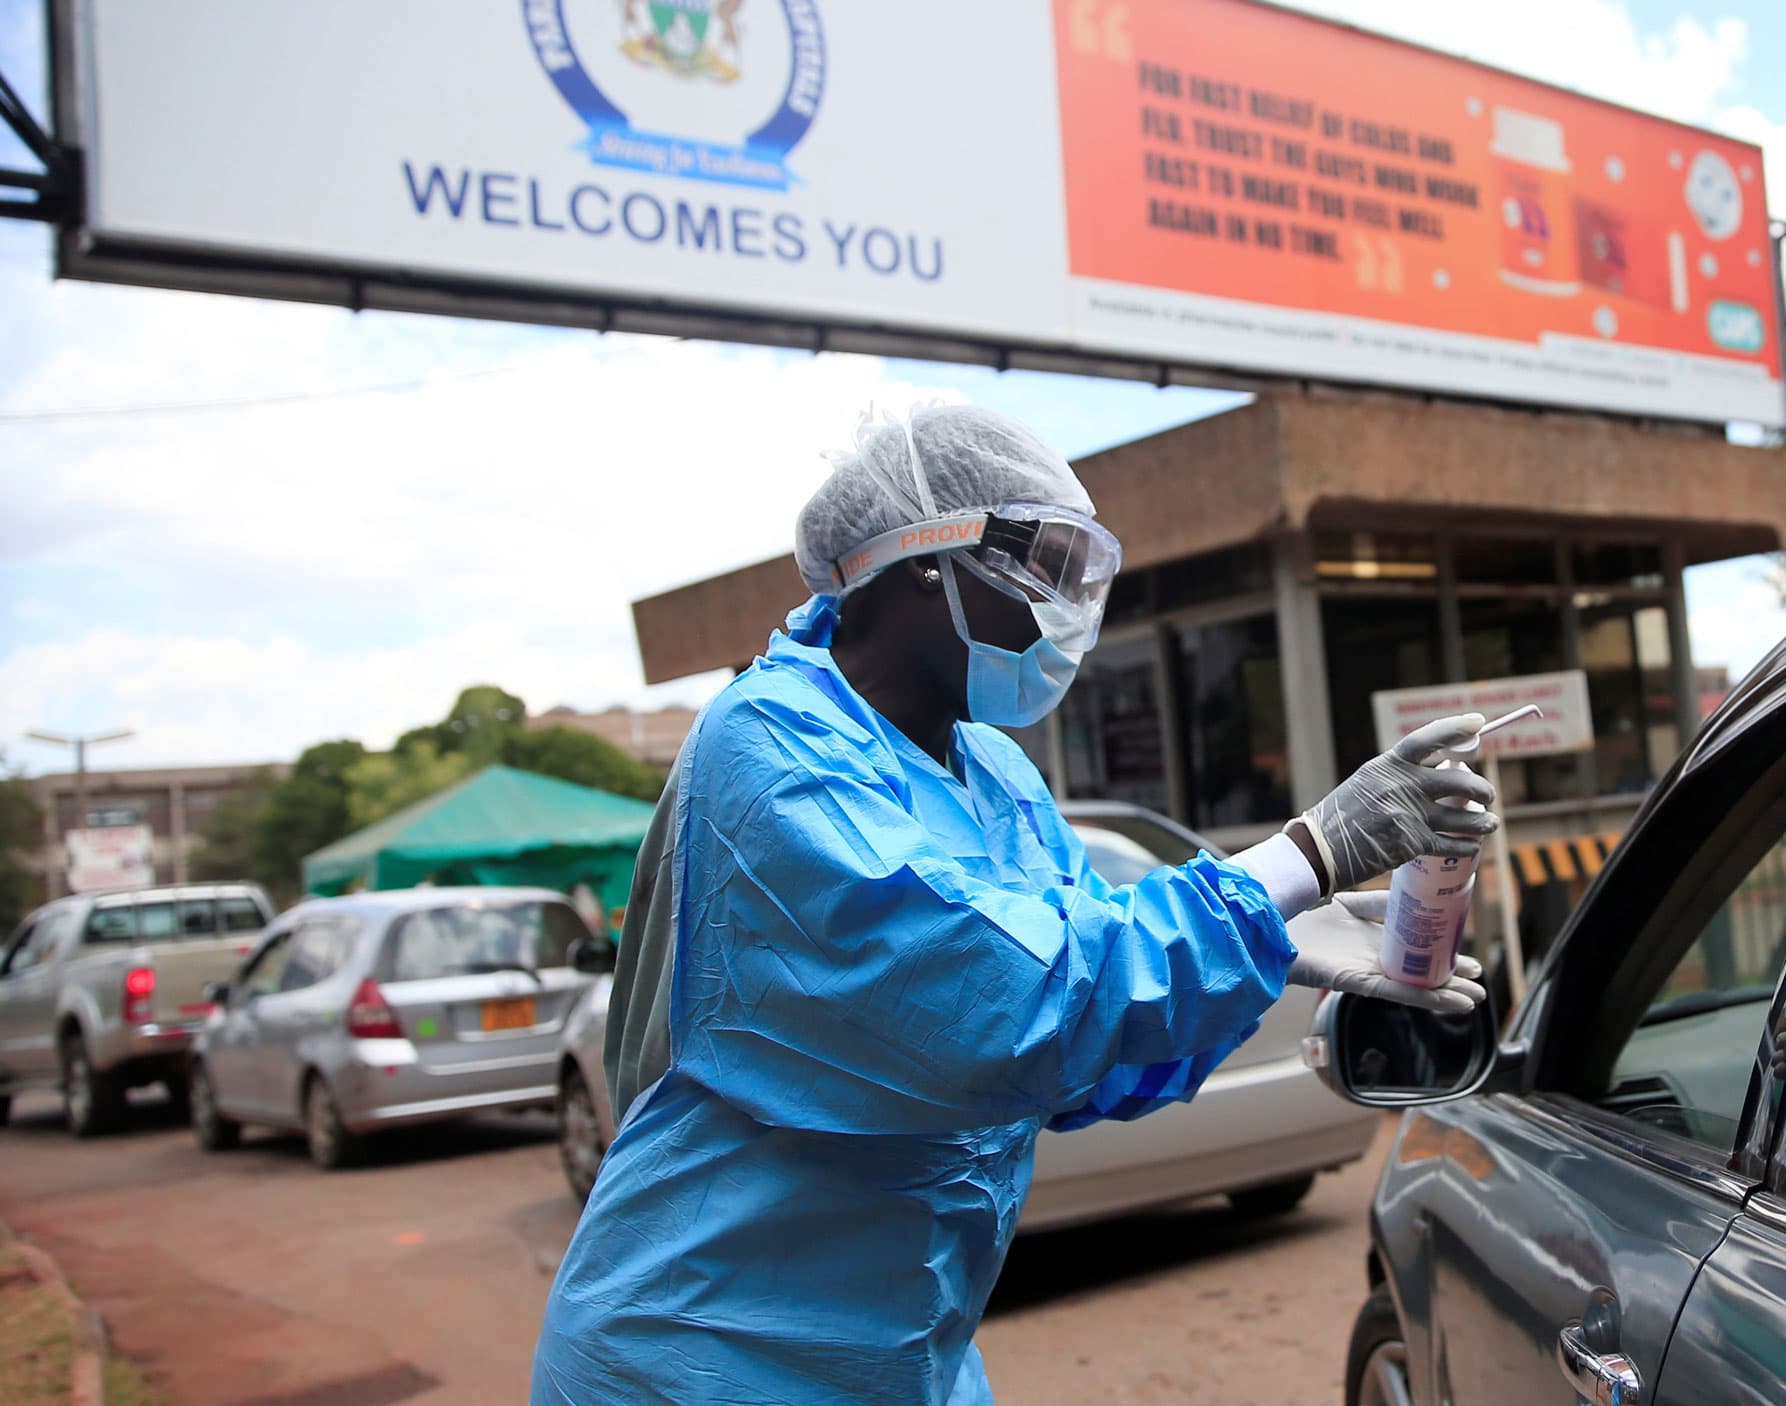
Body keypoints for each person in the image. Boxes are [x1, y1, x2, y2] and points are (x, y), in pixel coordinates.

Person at [533, 405, 1497, 1405]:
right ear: (919, 558)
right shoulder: (773, 745)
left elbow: (1076, 1051)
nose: (1074, 607)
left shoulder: (991, 772)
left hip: (907, 1353)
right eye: (1047, 562)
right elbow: (1007, 1005)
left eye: (1087, 574)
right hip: (703, 1351)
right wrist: (1303, 856)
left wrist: (1274, 938)